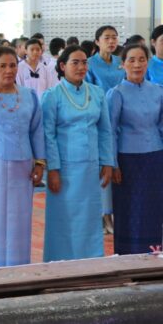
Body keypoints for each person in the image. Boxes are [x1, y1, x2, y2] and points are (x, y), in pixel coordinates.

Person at [0, 47, 45, 268]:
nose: (8, 70)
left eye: (12, 65)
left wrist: (40, 162)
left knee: (20, 217)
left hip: (24, 166)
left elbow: (36, 130)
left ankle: (18, 264)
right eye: (2, 66)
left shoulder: (29, 96)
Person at [42, 45, 114, 262]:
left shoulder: (97, 93)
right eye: (75, 62)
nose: (81, 67)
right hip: (64, 170)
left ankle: (90, 262)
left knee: (89, 218)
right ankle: (60, 263)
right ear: (62, 66)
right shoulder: (52, 96)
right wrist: (52, 169)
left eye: (84, 62)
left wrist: (107, 162)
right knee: (63, 219)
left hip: (91, 167)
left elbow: (105, 131)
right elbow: (48, 135)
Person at [106, 44, 163, 254]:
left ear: (148, 63)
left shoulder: (158, 91)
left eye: (141, 59)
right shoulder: (116, 94)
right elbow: (110, 131)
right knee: (130, 209)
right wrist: (113, 163)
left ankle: (154, 253)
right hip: (127, 160)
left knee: (153, 208)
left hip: (155, 157)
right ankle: (127, 255)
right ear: (123, 64)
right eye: (131, 60)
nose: (137, 64)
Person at [85, 25, 124, 234]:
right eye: (107, 37)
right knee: (104, 165)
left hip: (123, 118)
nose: (111, 41)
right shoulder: (90, 64)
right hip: (100, 118)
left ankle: (116, 212)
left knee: (119, 165)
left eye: (114, 37)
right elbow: (88, 92)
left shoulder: (120, 62)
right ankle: (104, 214)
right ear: (97, 41)